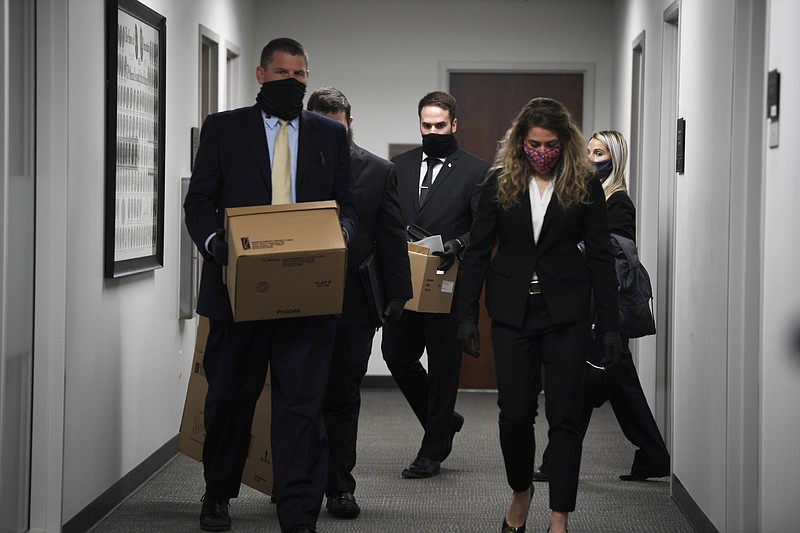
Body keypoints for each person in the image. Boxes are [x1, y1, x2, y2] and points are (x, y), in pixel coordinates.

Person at [183, 38, 357, 533]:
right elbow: (199, 201)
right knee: (229, 399)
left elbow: (347, 205)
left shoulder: (328, 135)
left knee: (301, 406)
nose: (293, 83)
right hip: (237, 291)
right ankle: (218, 492)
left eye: (300, 76)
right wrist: (216, 243)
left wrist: (339, 237)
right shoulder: (224, 129)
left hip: (307, 294)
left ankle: (298, 513)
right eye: (283, 74)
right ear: (260, 75)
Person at [456, 97, 622, 533]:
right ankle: (521, 492)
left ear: (565, 143)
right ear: (520, 142)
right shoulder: (498, 183)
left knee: (564, 414)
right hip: (513, 313)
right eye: (533, 144)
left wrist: (610, 324)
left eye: (550, 144)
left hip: (566, 313)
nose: (542, 152)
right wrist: (466, 314)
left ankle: (559, 516)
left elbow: (602, 258)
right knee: (514, 413)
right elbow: (476, 252)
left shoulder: (584, 184)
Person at [533, 131, 670, 484]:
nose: (592, 159)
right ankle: (653, 454)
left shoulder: (618, 201)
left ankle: (556, 461)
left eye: (600, 153)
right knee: (614, 383)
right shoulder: (587, 196)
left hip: (602, 305)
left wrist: (573, 246)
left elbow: (617, 252)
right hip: (590, 302)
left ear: (615, 158)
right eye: (589, 152)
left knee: (587, 381)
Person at [306, 87, 413, 518]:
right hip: (300, 298)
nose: (332, 131)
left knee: (344, 394)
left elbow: (391, 234)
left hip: (354, 301)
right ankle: (296, 482)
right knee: (299, 393)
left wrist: (399, 294)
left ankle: (340, 488)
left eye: (339, 123)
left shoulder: (377, 170)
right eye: (322, 124)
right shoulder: (289, 166)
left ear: (350, 122)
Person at [381, 90, 490, 478]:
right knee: (396, 354)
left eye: (440, 125)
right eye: (426, 125)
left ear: (454, 124)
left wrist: (458, 244)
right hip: (406, 280)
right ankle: (445, 421)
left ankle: (432, 451)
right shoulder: (399, 166)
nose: (433, 131)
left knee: (444, 367)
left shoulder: (477, 171)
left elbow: (486, 230)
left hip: (450, 282)